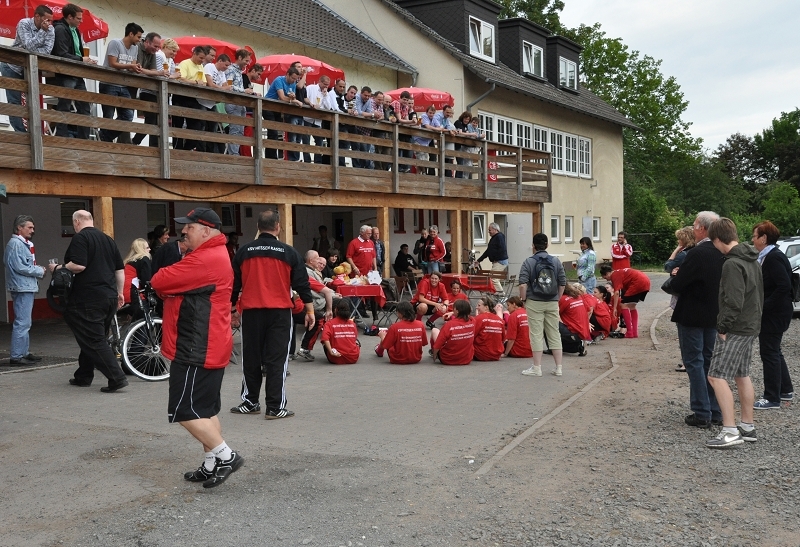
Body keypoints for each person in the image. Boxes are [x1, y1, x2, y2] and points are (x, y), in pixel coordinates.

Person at [150, 207, 243, 488]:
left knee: (185, 411)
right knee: (204, 409)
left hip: (196, 346)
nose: (183, 231)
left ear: (206, 231)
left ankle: (226, 456)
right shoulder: (211, 255)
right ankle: (211, 463)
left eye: (189, 227)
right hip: (208, 343)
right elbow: (168, 286)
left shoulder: (205, 259)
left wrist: (172, 287)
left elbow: (159, 281)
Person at [230, 209, 312, 419]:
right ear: (278, 227)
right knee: (277, 359)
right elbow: (302, 283)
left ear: (258, 227)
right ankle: (275, 407)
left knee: (251, 357)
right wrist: (310, 309)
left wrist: (232, 310)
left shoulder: (243, 252)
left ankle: (250, 402)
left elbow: (234, 285)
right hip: (280, 313)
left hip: (251, 312)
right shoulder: (289, 252)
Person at [50, 210, 127, 391]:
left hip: (88, 297)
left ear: (76, 222)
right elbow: (119, 270)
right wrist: (120, 292)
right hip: (108, 296)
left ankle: (117, 377)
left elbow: (78, 265)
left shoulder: (80, 238)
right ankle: (83, 375)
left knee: (93, 339)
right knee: (91, 335)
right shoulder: (108, 240)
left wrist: (58, 267)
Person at [705, 217, 762, 448]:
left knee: (716, 375)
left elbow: (733, 301)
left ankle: (729, 431)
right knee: (741, 374)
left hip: (736, 327)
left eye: (713, 242)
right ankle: (747, 426)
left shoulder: (731, 264)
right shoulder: (752, 259)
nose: (714, 246)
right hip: (750, 325)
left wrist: (723, 327)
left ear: (718, 239)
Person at [668, 211, 723, 429]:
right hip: (713, 314)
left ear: (701, 228)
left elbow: (679, 284)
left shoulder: (697, 253)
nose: (693, 229)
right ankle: (715, 409)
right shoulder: (722, 251)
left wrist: (676, 275)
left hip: (692, 314)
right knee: (709, 361)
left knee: (694, 362)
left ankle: (701, 412)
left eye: (694, 225)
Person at [751, 221, 794, 410]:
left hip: (775, 314)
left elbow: (784, 286)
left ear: (764, 238)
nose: (753, 240)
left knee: (769, 352)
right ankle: (785, 389)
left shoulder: (773, 257)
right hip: (776, 312)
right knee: (774, 351)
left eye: (755, 236)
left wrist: (763, 306)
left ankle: (772, 397)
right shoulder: (769, 256)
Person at [0, 5, 54, 133]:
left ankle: (33, 133)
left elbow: (47, 51)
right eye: (46, 20)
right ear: (37, 16)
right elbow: (28, 45)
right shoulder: (24, 23)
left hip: (30, 68)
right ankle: (21, 134)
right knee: (14, 102)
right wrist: (42, 32)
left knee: (32, 101)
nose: (49, 23)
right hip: (11, 66)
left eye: (50, 20)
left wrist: (31, 48)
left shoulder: (50, 29)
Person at [518, 233, 566, 377]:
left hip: (534, 301)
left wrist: (524, 299)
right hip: (552, 301)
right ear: (547, 245)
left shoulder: (528, 262)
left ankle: (537, 368)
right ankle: (558, 368)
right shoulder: (556, 261)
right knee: (554, 334)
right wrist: (557, 298)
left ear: (533, 246)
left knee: (536, 334)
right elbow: (562, 282)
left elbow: (522, 284)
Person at [48, 3, 96, 139]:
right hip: (65, 72)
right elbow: (61, 53)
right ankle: (62, 137)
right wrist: (81, 59)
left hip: (76, 72)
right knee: (65, 105)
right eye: (79, 18)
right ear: (70, 17)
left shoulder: (75, 30)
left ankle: (84, 138)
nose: (81, 21)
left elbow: (76, 52)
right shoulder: (60, 29)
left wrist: (85, 59)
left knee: (84, 106)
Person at [4, 215, 46, 364]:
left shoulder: (21, 244)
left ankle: (24, 352)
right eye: (29, 227)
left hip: (24, 285)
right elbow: (20, 267)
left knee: (25, 321)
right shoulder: (16, 244)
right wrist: (38, 270)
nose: (32, 230)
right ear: (19, 228)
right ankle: (16, 356)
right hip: (22, 286)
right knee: (22, 322)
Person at [99, 22, 144, 143]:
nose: (139, 40)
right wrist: (131, 66)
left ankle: (105, 137)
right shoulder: (115, 43)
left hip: (123, 85)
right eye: (138, 37)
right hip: (109, 83)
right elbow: (113, 63)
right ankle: (105, 141)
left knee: (128, 115)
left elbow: (132, 65)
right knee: (108, 115)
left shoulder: (135, 48)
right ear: (131, 34)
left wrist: (135, 67)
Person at [292, 250, 334, 361]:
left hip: (280, 307)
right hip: (296, 307)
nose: (320, 261)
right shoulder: (303, 274)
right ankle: (305, 349)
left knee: (290, 325)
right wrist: (329, 310)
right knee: (319, 319)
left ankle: (290, 353)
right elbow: (326, 291)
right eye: (317, 259)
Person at [664, 226, 695, 371]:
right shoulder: (694, 251)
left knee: (683, 330)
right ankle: (687, 360)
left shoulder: (684, 254)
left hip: (681, 295)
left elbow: (668, 266)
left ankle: (686, 361)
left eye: (680, 238)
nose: (678, 240)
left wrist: (676, 250)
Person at [599, 264, 651, 339]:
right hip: (646, 282)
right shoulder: (619, 272)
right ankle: (634, 332)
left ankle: (630, 332)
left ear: (607, 273)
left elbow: (616, 292)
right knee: (632, 306)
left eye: (605, 277)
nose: (607, 279)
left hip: (637, 283)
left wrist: (615, 308)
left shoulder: (614, 275)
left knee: (623, 305)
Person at [173, 46, 208, 151]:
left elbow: (204, 82)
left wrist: (199, 83)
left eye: (203, 58)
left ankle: (186, 150)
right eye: (200, 58)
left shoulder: (200, 66)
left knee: (196, 126)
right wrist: (196, 82)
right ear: (194, 54)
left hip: (194, 98)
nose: (202, 60)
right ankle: (177, 151)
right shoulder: (185, 63)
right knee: (178, 125)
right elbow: (180, 78)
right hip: (180, 96)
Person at [263, 66, 303, 159]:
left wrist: (292, 97)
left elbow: (290, 97)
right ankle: (272, 157)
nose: (294, 81)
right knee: (273, 132)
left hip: (277, 109)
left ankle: (271, 156)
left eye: (296, 79)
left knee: (275, 133)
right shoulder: (279, 80)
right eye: (292, 78)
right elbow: (282, 97)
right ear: (287, 75)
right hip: (268, 106)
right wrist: (294, 100)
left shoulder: (293, 83)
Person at [224, 49, 257, 155]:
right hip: (233, 102)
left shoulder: (239, 71)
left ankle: (236, 153)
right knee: (235, 129)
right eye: (246, 61)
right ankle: (233, 154)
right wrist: (244, 91)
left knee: (240, 131)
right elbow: (229, 86)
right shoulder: (231, 69)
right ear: (239, 58)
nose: (248, 64)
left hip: (240, 103)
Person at [431, 299, 474, 365]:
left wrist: (435, 355)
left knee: (434, 330)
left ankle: (432, 353)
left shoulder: (449, 324)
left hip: (448, 359)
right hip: (466, 358)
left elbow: (438, 343)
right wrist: (452, 313)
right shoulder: (472, 321)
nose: (452, 310)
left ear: (457, 311)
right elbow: (469, 316)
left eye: (453, 309)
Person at [555, 283, 591, 359]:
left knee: (548, 322)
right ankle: (577, 344)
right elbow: (589, 310)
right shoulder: (578, 297)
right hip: (583, 330)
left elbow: (554, 314)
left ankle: (552, 348)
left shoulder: (563, 299)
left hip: (574, 331)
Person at [321, 299, 360, 364]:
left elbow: (325, 339)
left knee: (325, 344)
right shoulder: (352, 324)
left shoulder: (329, 324)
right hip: (353, 357)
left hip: (336, 358)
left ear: (335, 310)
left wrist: (331, 351)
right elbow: (354, 338)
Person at [476, 222, 509, 292]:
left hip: (500, 261)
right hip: (499, 261)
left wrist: (495, 258)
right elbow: (488, 251)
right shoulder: (494, 238)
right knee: (494, 279)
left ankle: (501, 295)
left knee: (493, 279)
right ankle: (496, 293)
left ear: (495, 229)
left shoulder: (499, 237)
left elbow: (502, 249)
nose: (489, 232)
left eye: (490, 230)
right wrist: (479, 260)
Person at [122, 238, 151, 311]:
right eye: (147, 247)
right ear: (141, 249)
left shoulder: (128, 261)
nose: (150, 249)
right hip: (134, 294)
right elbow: (146, 280)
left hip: (124, 294)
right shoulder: (144, 259)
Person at [472, 296, 505, 362]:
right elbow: (503, 338)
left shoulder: (478, 318)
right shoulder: (500, 320)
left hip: (481, 354)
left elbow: (471, 336)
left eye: (479, 305)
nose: (477, 307)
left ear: (486, 307)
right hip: (496, 355)